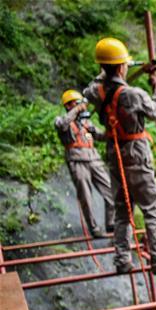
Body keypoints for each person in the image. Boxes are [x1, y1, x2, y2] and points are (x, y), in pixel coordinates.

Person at [82, 38, 156, 276]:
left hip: (114, 152)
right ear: (120, 67)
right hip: (136, 153)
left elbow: (89, 88)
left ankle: (122, 259)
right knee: (150, 208)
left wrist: (106, 74)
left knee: (122, 209)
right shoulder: (134, 94)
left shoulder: (96, 92)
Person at [54, 90, 114, 238]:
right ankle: (94, 229)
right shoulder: (62, 120)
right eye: (76, 103)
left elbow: (100, 136)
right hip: (77, 161)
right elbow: (62, 125)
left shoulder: (86, 122)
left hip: (94, 160)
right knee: (86, 197)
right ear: (68, 106)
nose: (81, 106)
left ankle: (111, 224)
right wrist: (76, 110)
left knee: (110, 191)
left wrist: (111, 130)